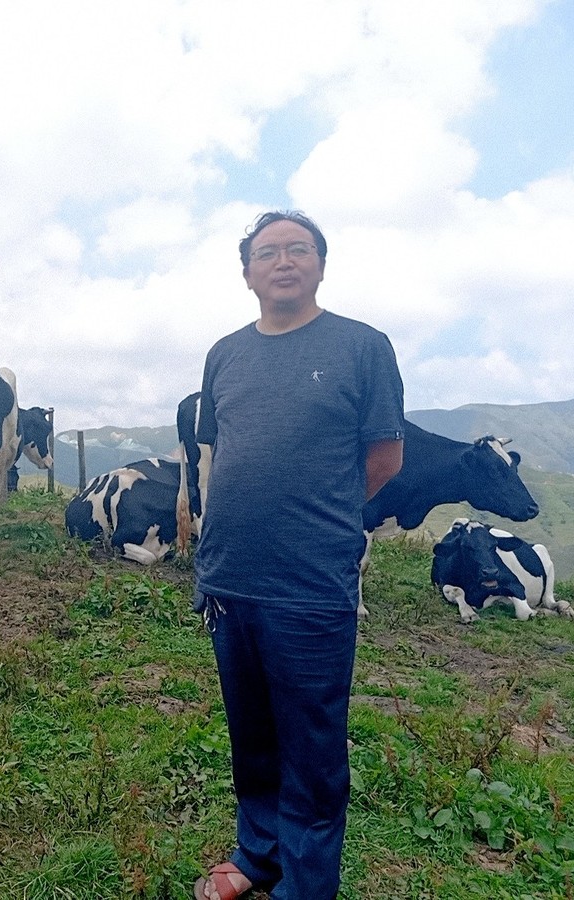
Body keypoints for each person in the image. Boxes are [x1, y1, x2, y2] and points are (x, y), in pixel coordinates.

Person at [192, 210, 405, 900]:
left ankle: (306, 886)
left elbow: (383, 460)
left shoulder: (363, 347)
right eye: (268, 253)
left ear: (320, 264)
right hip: (230, 578)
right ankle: (258, 856)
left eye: (298, 249)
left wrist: (319, 518)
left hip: (311, 582)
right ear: (248, 272)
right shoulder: (223, 353)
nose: (284, 261)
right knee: (251, 740)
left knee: (312, 750)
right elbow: (219, 455)